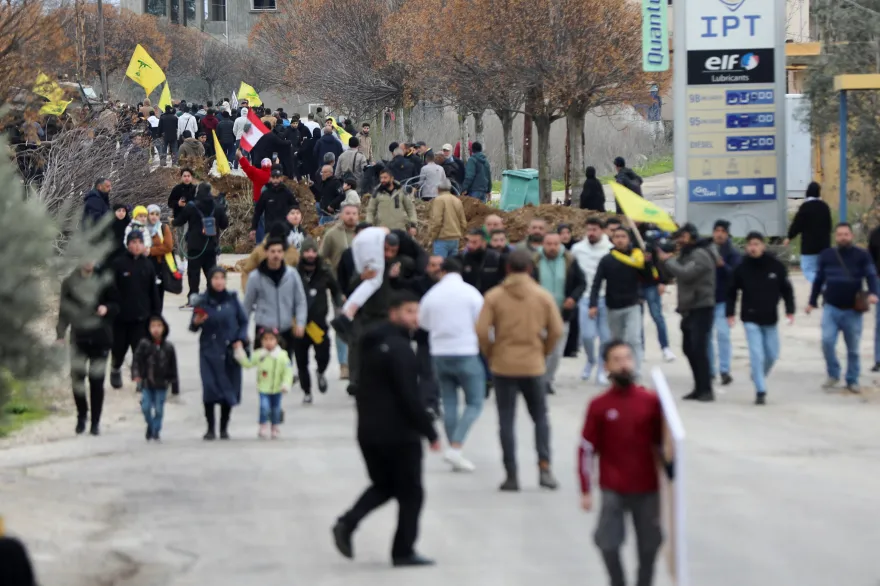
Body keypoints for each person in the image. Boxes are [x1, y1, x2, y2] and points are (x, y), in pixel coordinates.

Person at [332, 291, 441, 568]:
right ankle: (403, 551)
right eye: (409, 312)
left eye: (417, 312)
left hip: (368, 431)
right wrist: (430, 432)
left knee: (386, 485)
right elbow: (409, 396)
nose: (415, 318)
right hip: (398, 434)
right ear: (393, 313)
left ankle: (347, 524)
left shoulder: (371, 343)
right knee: (412, 492)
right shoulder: (400, 349)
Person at [579, 340, 665, 586]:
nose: (623, 364)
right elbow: (586, 448)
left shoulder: (651, 402)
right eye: (616, 360)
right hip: (613, 486)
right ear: (606, 366)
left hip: (648, 487)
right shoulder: (599, 405)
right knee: (607, 542)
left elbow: (666, 444)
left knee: (650, 545)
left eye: (627, 358)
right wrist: (585, 488)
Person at [476, 250, 564, 491]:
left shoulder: (494, 297)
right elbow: (556, 330)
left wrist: (491, 352)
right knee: (540, 417)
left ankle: (511, 474)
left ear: (507, 269)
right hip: (533, 364)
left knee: (506, 419)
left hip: (503, 364)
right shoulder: (542, 296)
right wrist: (543, 351)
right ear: (529, 269)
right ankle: (544, 468)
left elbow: (482, 331)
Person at [418, 258, 485, 471]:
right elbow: (481, 321)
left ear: (443, 271)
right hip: (466, 351)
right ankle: (456, 447)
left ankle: (454, 449)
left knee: (448, 402)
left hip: (440, 353)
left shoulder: (432, 294)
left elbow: (423, 323)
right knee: (475, 402)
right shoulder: (471, 292)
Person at [807, 222, 879, 393]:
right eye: (839, 234)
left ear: (851, 236)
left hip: (853, 310)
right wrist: (812, 301)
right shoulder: (826, 255)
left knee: (853, 349)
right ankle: (833, 373)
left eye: (846, 234)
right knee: (827, 341)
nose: (843, 237)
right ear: (835, 237)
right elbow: (818, 280)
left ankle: (852, 380)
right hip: (831, 308)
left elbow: (870, 275)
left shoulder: (862, 255)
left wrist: (873, 293)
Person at [727, 232, 795, 405]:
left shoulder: (776, 266)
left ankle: (758, 375)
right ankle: (760, 390)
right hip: (750, 318)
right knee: (756, 354)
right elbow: (732, 291)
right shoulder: (741, 268)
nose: (753, 247)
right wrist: (730, 312)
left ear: (763, 246)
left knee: (772, 354)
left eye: (756, 244)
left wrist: (790, 310)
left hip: (770, 318)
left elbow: (786, 290)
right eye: (750, 244)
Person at [655, 223, 719, 402]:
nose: (679, 241)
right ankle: (699, 387)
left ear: (691, 236)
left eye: (682, 237)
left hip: (701, 306)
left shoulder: (700, 253)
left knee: (698, 349)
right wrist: (661, 260)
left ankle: (706, 389)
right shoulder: (688, 253)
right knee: (689, 348)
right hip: (689, 307)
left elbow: (685, 273)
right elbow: (671, 274)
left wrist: (668, 260)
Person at [56, 260, 118, 436]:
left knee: (96, 381)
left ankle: (95, 422)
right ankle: (82, 415)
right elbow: (64, 310)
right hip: (79, 337)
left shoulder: (104, 279)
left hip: (101, 337)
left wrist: (107, 308)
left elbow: (117, 304)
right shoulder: (70, 282)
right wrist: (60, 334)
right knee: (77, 379)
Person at [242, 234, 309, 392]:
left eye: (279, 251)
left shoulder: (291, 275)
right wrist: (242, 329)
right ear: (266, 252)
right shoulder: (256, 277)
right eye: (273, 251)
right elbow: (247, 305)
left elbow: (300, 301)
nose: (276, 255)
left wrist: (300, 322)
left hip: (285, 326)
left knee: (285, 361)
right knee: (265, 364)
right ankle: (269, 392)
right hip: (264, 326)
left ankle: (281, 388)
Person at [190, 268, 248, 439]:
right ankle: (210, 428)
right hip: (208, 351)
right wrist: (196, 321)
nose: (219, 281)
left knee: (228, 388)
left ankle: (224, 427)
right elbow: (193, 327)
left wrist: (240, 338)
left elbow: (243, 322)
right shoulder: (203, 301)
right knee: (209, 388)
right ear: (210, 280)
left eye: (222, 278)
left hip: (229, 350)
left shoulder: (232, 300)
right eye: (215, 278)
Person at [590, 227, 653, 376]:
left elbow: (649, 278)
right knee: (617, 342)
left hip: (633, 305)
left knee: (633, 339)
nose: (620, 239)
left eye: (623, 236)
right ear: (612, 240)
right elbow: (596, 283)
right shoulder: (607, 260)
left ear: (629, 239)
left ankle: (635, 372)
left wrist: (648, 263)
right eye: (617, 236)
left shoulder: (637, 258)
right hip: (612, 306)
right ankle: (616, 370)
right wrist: (593, 304)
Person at [108, 231, 161, 392]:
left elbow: (154, 292)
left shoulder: (148, 265)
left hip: (142, 317)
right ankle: (115, 368)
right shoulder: (118, 264)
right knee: (118, 349)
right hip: (121, 318)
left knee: (140, 351)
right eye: (134, 242)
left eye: (140, 242)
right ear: (128, 244)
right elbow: (110, 291)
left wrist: (156, 315)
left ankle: (140, 379)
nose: (137, 245)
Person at [533, 233, 585, 394]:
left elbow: (581, 283)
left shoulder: (569, 260)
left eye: (555, 244)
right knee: (538, 350)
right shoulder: (534, 261)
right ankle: (537, 380)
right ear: (543, 244)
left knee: (555, 352)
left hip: (562, 315)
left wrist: (572, 298)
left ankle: (548, 379)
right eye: (549, 244)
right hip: (537, 315)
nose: (552, 247)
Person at [294, 238, 342, 402]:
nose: (310, 254)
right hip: (300, 324)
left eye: (313, 251)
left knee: (324, 354)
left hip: (318, 323)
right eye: (307, 251)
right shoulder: (295, 272)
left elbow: (336, 291)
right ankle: (307, 392)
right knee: (302, 360)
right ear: (302, 253)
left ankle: (321, 371)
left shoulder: (324, 271)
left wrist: (341, 306)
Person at [173, 182, 229, 306]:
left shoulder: (191, 206)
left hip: (195, 246)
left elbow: (179, 221)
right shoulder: (217, 206)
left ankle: (193, 298)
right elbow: (224, 224)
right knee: (211, 273)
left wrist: (173, 221)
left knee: (193, 273)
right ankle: (212, 298)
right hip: (211, 245)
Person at [572, 218, 613, 383]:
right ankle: (590, 360)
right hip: (585, 298)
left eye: (595, 229)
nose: (591, 233)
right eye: (589, 229)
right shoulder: (577, 249)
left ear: (602, 231)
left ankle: (602, 370)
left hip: (606, 298)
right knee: (587, 336)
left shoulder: (610, 249)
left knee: (605, 337)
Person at [235, 328, 294, 439]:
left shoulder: (282, 356)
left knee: (276, 409)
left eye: (271, 339)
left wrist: (286, 384)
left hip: (277, 388)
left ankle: (275, 426)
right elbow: (248, 364)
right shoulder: (259, 354)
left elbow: (288, 371)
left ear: (276, 340)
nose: (268, 342)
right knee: (264, 407)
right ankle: (263, 425)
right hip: (263, 388)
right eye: (265, 339)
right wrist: (240, 353)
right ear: (261, 341)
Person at [132, 315, 178, 441]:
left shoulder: (169, 347)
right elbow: (136, 360)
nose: (156, 329)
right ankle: (150, 425)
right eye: (153, 326)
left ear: (164, 328)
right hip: (147, 383)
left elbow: (173, 368)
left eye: (159, 326)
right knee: (146, 407)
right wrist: (136, 374)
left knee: (159, 409)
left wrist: (174, 386)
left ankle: (156, 430)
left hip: (162, 384)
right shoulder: (144, 344)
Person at [707, 220, 741, 386]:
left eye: (722, 231)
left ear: (727, 234)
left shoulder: (733, 253)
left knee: (723, 335)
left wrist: (723, 266)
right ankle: (710, 371)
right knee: (707, 337)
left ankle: (724, 370)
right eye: (717, 231)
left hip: (723, 301)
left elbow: (736, 276)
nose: (719, 234)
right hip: (705, 299)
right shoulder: (705, 249)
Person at [784, 181, 832, 284]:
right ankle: (823, 286)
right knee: (822, 270)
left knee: (808, 270)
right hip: (824, 246)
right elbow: (829, 226)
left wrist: (789, 237)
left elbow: (797, 224)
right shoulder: (824, 207)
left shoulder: (805, 207)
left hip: (809, 247)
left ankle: (820, 286)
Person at [239, 223, 301, 293]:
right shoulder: (259, 251)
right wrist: (249, 292)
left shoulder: (292, 252)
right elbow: (247, 272)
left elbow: (301, 273)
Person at [250, 168, 299, 241]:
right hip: (270, 231)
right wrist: (253, 228)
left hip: (284, 231)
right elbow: (258, 212)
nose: (275, 180)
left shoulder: (286, 193)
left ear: (281, 178)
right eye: (273, 178)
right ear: (270, 178)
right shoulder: (266, 194)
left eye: (277, 177)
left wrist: (294, 224)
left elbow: (295, 207)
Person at [239, 151, 273, 242]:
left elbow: (248, 168)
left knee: (260, 223)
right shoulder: (274, 176)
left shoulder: (257, 173)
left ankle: (260, 244)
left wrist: (241, 157)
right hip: (272, 202)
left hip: (258, 201)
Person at [146, 204, 174, 311]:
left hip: (159, 265)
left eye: (156, 214)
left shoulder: (163, 228)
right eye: (151, 214)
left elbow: (168, 246)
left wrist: (150, 251)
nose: (154, 216)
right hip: (144, 265)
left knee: (158, 296)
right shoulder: (142, 228)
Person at [429, 178, 467, 258]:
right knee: (451, 266)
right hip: (455, 239)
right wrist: (460, 234)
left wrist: (433, 236)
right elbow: (463, 222)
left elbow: (437, 221)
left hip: (442, 238)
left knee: (440, 266)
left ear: (438, 189)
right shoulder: (457, 200)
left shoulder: (438, 200)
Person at [459, 228, 505, 294]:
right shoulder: (462, 259)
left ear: (484, 242)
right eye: (469, 241)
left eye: (474, 242)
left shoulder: (496, 258)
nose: (470, 245)